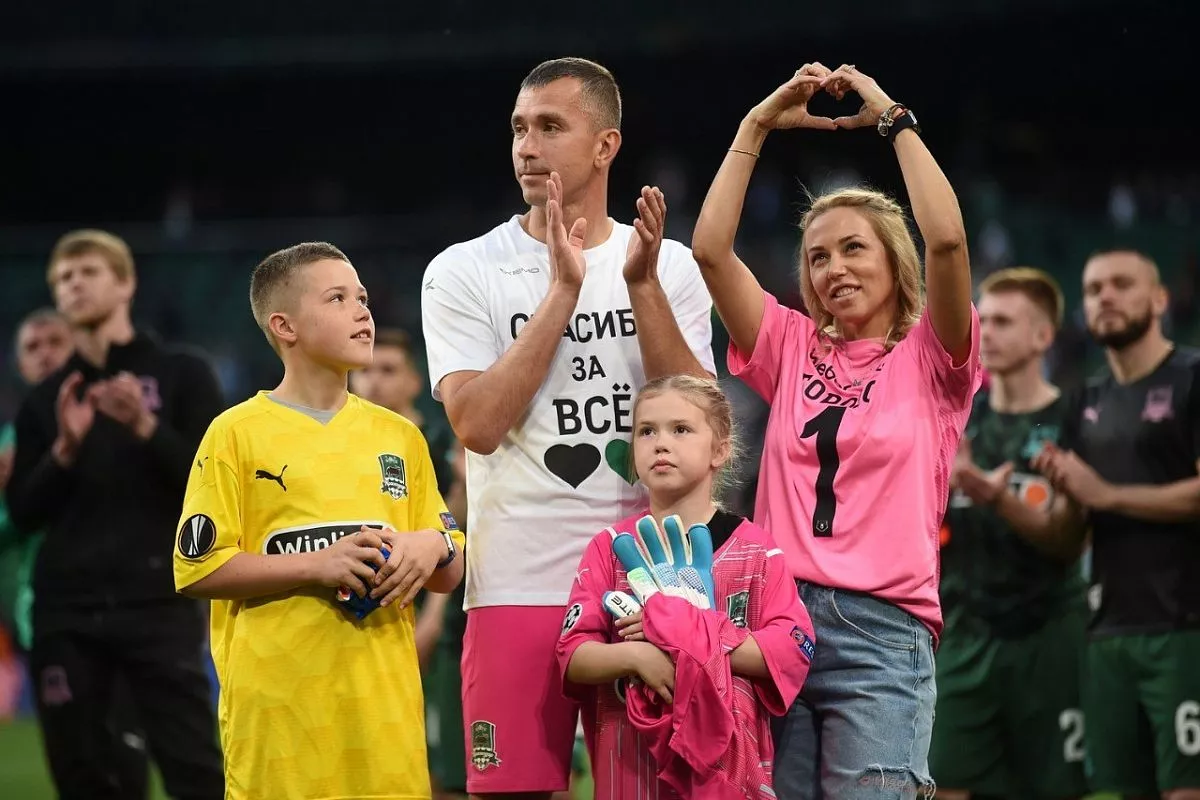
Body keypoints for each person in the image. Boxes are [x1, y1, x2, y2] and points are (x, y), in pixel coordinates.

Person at [421, 57, 715, 799]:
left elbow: (698, 416)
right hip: (515, 582)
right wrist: (562, 291)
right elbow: (477, 425)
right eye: (519, 128)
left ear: (606, 145)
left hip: (648, 579)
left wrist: (641, 286)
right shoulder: (464, 269)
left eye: (550, 127)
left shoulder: (669, 266)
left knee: (650, 791)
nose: (527, 146)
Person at [690, 62, 980, 798]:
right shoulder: (790, 345)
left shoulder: (935, 359)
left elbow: (948, 242)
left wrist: (894, 120)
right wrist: (756, 125)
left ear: (892, 258)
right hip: (774, 622)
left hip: (883, 635)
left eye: (853, 248)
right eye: (817, 256)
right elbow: (711, 251)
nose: (833, 268)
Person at [173, 242, 467, 800]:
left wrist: (434, 545)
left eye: (362, 298)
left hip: (384, 726)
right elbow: (197, 569)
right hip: (278, 729)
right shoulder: (235, 433)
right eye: (337, 299)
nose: (362, 312)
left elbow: (448, 568)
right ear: (284, 326)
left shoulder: (400, 437)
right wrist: (318, 564)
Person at [5, 230, 225, 800]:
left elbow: (216, 486)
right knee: (84, 776)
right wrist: (64, 451)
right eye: (63, 278)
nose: (73, 285)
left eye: (87, 272)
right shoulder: (47, 399)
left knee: (195, 769)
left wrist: (146, 427)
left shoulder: (182, 374)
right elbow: (23, 514)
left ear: (125, 283)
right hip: (67, 613)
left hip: (159, 605)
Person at [557, 375, 814, 798]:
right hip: (632, 769)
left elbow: (792, 649)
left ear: (720, 449)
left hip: (727, 773)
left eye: (681, 429)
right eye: (646, 431)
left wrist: (689, 632)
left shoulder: (757, 550)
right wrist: (639, 655)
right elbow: (573, 655)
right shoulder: (610, 547)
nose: (661, 443)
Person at [1033, 248, 1200, 800]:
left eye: (1121, 284)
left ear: (1160, 299)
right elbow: (1069, 536)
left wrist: (1106, 494)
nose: (1104, 296)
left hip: (1184, 627)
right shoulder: (1084, 400)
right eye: (1092, 288)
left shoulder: (1193, 377)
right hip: (1106, 631)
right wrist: (1060, 501)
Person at [932, 268, 1089, 799]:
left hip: (1048, 636)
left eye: (1003, 321)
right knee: (946, 785)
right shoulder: (955, 422)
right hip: (964, 635)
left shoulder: (1075, 419)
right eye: (985, 320)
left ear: (1043, 336)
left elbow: (1068, 542)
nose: (988, 333)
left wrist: (994, 496)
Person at [350, 327, 469, 799]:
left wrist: (434, 617)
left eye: (388, 370)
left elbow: (454, 531)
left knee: (440, 753)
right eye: (364, 371)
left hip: (440, 603)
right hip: (373, 605)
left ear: (415, 381)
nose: (373, 382)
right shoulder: (347, 444)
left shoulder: (438, 443)